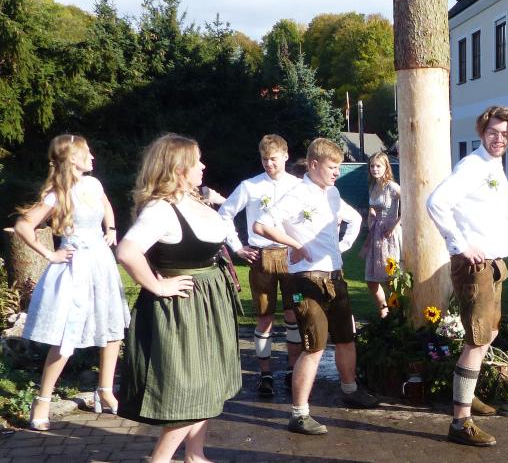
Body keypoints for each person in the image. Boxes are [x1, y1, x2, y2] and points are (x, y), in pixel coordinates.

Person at [115, 134, 242, 463]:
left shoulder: (194, 199)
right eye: (196, 161)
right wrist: (158, 287)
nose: (203, 165)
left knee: (210, 381)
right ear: (178, 167)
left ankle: (195, 454)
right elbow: (127, 251)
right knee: (189, 388)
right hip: (181, 308)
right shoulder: (161, 209)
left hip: (209, 301)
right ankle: (160, 459)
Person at [252, 137, 378, 436]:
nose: (337, 172)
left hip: (335, 277)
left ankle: (350, 390)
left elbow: (355, 218)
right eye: (332, 167)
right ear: (313, 164)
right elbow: (262, 225)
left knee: (346, 338)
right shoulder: (298, 193)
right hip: (306, 280)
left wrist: (342, 246)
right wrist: (296, 244)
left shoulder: (332, 193)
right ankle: (298, 414)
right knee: (314, 346)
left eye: (339, 167)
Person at [14, 135, 130, 431]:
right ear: (73, 159)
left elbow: (105, 206)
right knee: (67, 335)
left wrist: (112, 229)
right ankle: (42, 400)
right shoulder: (57, 193)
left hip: (101, 263)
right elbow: (23, 225)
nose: (92, 156)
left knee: (112, 326)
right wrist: (49, 254)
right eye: (87, 153)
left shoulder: (93, 184)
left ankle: (105, 390)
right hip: (75, 267)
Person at [426, 105, 508, 447]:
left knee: (489, 332)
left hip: (494, 263)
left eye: (505, 133)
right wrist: (461, 245)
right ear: (483, 132)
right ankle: (460, 420)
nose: (499, 138)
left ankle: (469, 392)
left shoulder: (494, 164)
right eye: (493, 132)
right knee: (478, 337)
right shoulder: (472, 165)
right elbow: (436, 202)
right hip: (474, 266)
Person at [219, 134, 302, 396]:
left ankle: (292, 371)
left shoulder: (300, 186)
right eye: (265, 159)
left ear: (286, 156)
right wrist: (238, 247)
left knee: (293, 314)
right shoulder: (250, 186)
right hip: (261, 258)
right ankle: (265, 374)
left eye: (274, 159)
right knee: (264, 317)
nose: (269, 164)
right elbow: (225, 214)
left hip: (291, 259)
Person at [360, 151, 402, 317]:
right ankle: (384, 312)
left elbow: (410, 202)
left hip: (389, 235)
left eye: (378, 166)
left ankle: (398, 313)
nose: (375, 169)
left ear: (386, 167)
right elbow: (374, 206)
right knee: (371, 279)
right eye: (372, 166)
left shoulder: (392, 186)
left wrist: (395, 226)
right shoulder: (373, 186)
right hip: (375, 234)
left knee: (391, 279)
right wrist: (371, 212)